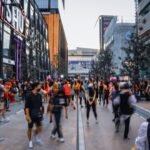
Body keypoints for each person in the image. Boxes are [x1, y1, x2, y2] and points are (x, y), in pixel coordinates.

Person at [25, 82, 44, 148]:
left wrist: (41, 113)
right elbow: (26, 107)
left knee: (40, 128)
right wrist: (27, 116)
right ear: (35, 87)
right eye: (39, 85)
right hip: (30, 114)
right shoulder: (29, 95)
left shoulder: (39, 95)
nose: (40, 86)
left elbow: (41, 105)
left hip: (38, 114)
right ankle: (30, 141)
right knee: (30, 128)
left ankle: (35, 135)